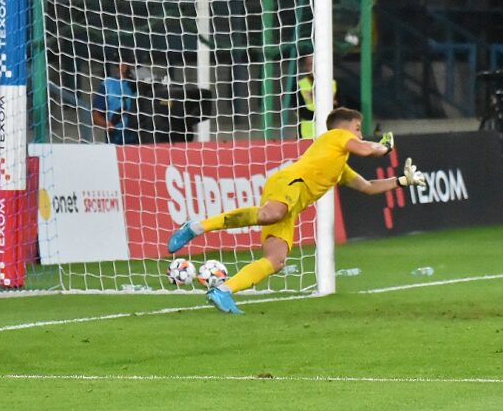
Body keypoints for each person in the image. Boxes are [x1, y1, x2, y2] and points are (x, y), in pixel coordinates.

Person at [166, 108, 426, 314]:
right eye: (357, 128)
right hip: (289, 183)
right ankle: (196, 227)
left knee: (275, 260)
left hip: (291, 205)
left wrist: (402, 181)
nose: (359, 134)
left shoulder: (338, 165)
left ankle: (223, 291)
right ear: (343, 128)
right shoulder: (335, 136)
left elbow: (367, 187)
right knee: (271, 214)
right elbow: (368, 149)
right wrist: (385, 147)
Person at [92, 58, 138, 145]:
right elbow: (96, 116)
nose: (124, 66)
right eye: (122, 63)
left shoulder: (138, 85)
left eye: (127, 63)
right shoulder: (108, 84)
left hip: (137, 138)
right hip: (115, 138)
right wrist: (107, 124)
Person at [296, 53, 337, 139]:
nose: (314, 67)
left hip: (330, 131)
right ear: (306, 67)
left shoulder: (333, 84)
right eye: (310, 64)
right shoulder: (299, 85)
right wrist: (323, 115)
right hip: (307, 134)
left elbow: (340, 107)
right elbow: (300, 111)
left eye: (317, 64)